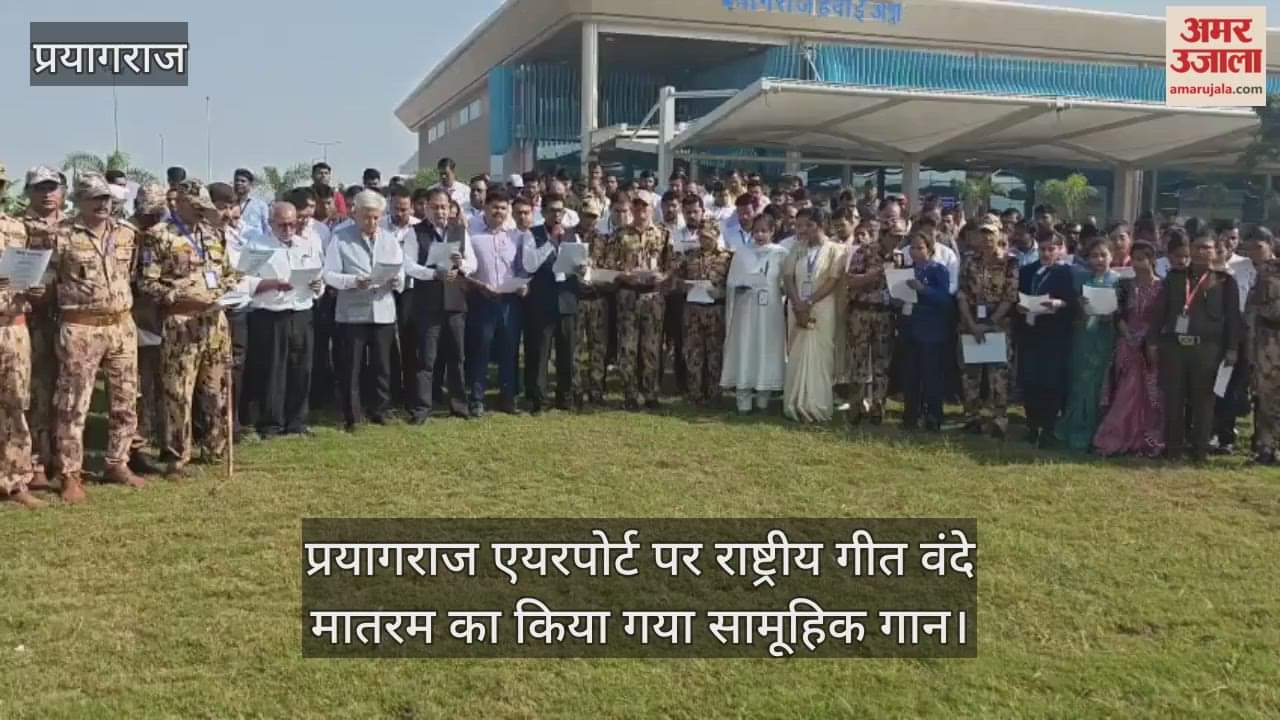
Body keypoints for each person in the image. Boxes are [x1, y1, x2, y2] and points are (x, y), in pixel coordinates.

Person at [47, 173, 146, 502]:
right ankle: (69, 473)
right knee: (74, 403)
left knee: (126, 400)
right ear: (79, 200)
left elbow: (131, 274)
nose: (103, 204)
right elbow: (45, 281)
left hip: (121, 325)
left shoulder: (126, 233)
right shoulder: (60, 236)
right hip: (81, 327)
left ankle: (118, 462)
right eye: (95, 198)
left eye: (106, 198)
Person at [135, 180, 237, 476]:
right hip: (181, 323)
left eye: (203, 207)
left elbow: (227, 273)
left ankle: (215, 447)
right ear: (178, 203)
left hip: (215, 322)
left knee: (217, 389)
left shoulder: (213, 233)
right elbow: (146, 282)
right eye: (195, 207)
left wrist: (231, 289)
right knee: (178, 391)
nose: (200, 212)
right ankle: (177, 455)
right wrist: (176, 296)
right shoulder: (158, 236)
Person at [1147, 231, 1242, 462]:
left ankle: (1200, 450)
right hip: (1175, 347)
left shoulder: (1225, 281)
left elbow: (1233, 318)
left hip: (1208, 349)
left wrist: (1232, 348)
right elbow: (1159, 312)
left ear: (1215, 252)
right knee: (1174, 399)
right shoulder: (1175, 277)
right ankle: (1173, 449)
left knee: (1204, 401)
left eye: (1207, 248)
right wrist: (1152, 342)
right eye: (1197, 247)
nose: (1201, 252)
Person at [324, 190, 404, 432]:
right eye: (367, 217)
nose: (371, 222)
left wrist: (397, 280)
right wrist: (353, 281)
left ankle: (380, 409)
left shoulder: (389, 238)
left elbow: (400, 269)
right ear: (355, 214)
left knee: (382, 365)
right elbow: (329, 274)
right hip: (352, 312)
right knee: (352, 366)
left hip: (382, 309)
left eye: (376, 217)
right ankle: (352, 415)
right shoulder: (340, 238)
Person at [245, 201, 325, 438]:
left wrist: (318, 286)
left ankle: (297, 421)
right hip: (271, 313)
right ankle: (271, 422)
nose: (288, 230)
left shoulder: (306, 245)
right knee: (273, 370)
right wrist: (272, 284)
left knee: (301, 368)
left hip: (301, 311)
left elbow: (318, 275)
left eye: (292, 224)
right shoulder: (257, 246)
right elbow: (242, 280)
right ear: (271, 223)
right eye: (282, 225)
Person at [403, 188, 475, 423]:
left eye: (443, 207)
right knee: (426, 359)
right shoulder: (415, 232)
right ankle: (422, 408)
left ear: (450, 208)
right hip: (428, 304)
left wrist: (461, 264)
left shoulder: (459, 230)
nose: (440, 212)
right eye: (434, 207)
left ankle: (459, 405)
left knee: (457, 357)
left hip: (455, 302)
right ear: (426, 208)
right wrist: (433, 274)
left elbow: (473, 263)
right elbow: (409, 266)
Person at [19, 166, 67, 491]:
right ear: (28, 192)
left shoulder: (74, 226)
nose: (47, 194)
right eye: (40, 188)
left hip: (70, 317)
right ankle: (36, 461)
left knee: (68, 392)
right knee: (37, 390)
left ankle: (65, 460)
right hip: (33, 318)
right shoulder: (17, 226)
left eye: (52, 187)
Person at [1094, 242, 1165, 457]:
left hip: (1152, 345)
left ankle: (1147, 440)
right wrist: (1128, 335)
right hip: (1127, 342)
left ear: (1152, 260)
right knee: (1125, 391)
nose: (1137, 264)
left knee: (1151, 395)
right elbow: (1118, 313)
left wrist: (1148, 338)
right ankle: (1116, 437)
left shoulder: (1163, 287)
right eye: (1134, 259)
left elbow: (1163, 317)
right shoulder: (1125, 285)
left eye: (1142, 259)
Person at [0, 168, 43, 508]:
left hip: (13, 326)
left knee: (15, 404)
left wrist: (35, 287)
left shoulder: (17, 228)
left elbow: (27, 273)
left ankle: (15, 481)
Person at [782, 207, 846, 423]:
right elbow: (788, 276)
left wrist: (809, 302)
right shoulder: (797, 248)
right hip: (797, 306)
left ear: (821, 225)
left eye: (810, 225)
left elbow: (833, 280)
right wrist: (797, 303)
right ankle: (795, 403)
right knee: (797, 352)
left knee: (821, 355)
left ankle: (817, 405)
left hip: (822, 307)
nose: (805, 230)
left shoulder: (836, 250)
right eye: (801, 226)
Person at [466, 189, 527, 416]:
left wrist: (524, 284)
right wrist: (479, 286)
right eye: (494, 207)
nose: (498, 212)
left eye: (503, 208)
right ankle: (477, 398)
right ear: (485, 208)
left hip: (510, 302)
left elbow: (522, 268)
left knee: (509, 350)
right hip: (482, 300)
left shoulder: (516, 236)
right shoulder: (472, 236)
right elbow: (466, 271)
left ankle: (508, 398)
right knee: (480, 350)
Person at [956, 218, 1018, 438]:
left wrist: (990, 323)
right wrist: (972, 324)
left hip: (997, 324)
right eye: (983, 233)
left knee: (998, 374)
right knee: (970, 374)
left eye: (991, 233)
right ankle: (972, 417)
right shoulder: (969, 261)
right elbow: (962, 293)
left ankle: (998, 419)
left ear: (1000, 234)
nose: (986, 238)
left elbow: (1010, 296)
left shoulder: (1010, 263)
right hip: (971, 322)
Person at [521, 193, 582, 413]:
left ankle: (565, 396)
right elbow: (530, 264)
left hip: (567, 299)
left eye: (560, 211)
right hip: (542, 300)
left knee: (567, 352)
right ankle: (538, 398)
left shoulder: (572, 235)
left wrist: (582, 268)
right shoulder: (532, 234)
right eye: (553, 210)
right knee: (540, 352)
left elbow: (579, 264)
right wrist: (550, 242)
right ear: (544, 212)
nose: (557, 215)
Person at [721, 213, 788, 414]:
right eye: (756, 231)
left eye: (764, 231)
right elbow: (731, 281)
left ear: (772, 231)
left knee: (766, 348)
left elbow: (786, 282)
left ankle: (763, 398)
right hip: (746, 310)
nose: (759, 235)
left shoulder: (780, 253)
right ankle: (743, 397)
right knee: (746, 347)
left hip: (770, 310)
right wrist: (740, 285)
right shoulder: (742, 253)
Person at [1057, 239, 1119, 452]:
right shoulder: (1082, 280)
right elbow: (1076, 313)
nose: (1099, 260)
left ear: (1111, 256)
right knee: (1080, 382)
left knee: (1100, 384)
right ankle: (1076, 428)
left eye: (1103, 255)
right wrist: (1081, 306)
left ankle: (1099, 431)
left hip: (1107, 337)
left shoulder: (1119, 281)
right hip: (1084, 336)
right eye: (1094, 256)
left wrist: (1112, 314)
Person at [1016, 232, 1076, 447]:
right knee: (1030, 379)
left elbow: (1072, 301)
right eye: (1043, 249)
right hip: (1030, 331)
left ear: (1060, 250)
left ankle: (1049, 427)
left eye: (1051, 249)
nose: (1046, 253)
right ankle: (1032, 425)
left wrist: (1059, 303)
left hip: (1054, 333)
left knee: (1050, 381)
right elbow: (1017, 294)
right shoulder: (1027, 271)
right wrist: (1019, 306)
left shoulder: (1065, 273)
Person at [612, 194, 671, 410]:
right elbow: (610, 264)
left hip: (652, 295)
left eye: (644, 206)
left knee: (651, 347)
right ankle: (630, 393)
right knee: (627, 347)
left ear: (652, 208)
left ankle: (650, 393)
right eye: (636, 205)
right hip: (628, 294)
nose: (640, 210)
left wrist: (662, 277)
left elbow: (670, 265)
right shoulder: (620, 234)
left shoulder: (663, 234)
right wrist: (623, 275)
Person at [843, 217, 901, 425]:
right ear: (883, 235)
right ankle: (856, 406)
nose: (897, 241)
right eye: (894, 237)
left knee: (882, 363)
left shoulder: (899, 257)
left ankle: (878, 407)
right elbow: (850, 280)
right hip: (862, 311)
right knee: (858, 360)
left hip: (885, 314)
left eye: (900, 237)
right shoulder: (865, 252)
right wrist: (874, 275)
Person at [897, 229, 952, 432]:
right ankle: (911, 414)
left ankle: (933, 415)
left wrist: (923, 289)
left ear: (929, 249)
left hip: (931, 328)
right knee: (910, 373)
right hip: (909, 325)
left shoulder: (939, 270)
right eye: (912, 248)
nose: (915, 252)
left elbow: (945, 299)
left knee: (931, 374)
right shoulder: (906, 270)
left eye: (920, 248)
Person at [671, 220, 730, 406]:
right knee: (693, 352)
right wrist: (683, 285)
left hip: (715, 310)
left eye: (708, 237)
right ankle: (694, 393)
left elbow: (733, 285)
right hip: (693, 309)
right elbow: (676, 279)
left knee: (715, 354)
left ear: (716, 236)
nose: (704, 240)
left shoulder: (727, 257)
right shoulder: (690, 255)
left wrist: (721, 292)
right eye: (702, 236)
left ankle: (714, 394)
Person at [1211, 220, 1254, 455]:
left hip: (1235, 336)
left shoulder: (1243, 267)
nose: (1228, 244)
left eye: (1233, 239)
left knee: (1229, 388)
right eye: (1223, 240)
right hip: (1208, 338)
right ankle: (1207, 433)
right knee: (1208, 389)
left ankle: (1225, 435)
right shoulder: (1201, 274)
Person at [1245, 229, 1279, 465]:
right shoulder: (1265, 272)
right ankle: (1266, 447)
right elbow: (1254, 311)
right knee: (1265, 398)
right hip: (1268, 343)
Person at [232, 168, 270, 237]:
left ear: (250, 185)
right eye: (236, 180)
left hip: (255, 242)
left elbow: (267, 229)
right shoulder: (229, 205)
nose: (239, 183)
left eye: (243, 181)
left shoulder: (261, 205)